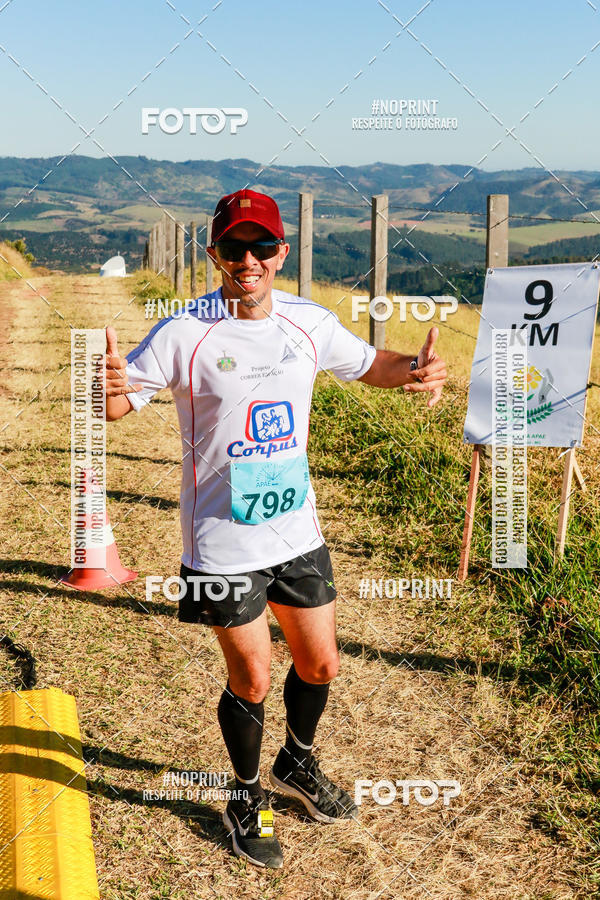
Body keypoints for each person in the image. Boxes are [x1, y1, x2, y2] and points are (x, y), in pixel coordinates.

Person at [104, 189, 447, 869]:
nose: (249, 260)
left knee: (321, 664)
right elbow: (118, 404)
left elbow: (367, 363)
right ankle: (245, 794)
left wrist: (413, 367)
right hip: (222, 542)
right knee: (254, 678)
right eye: (235, 247)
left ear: (282, 252)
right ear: (215, 255)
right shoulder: (184, 332)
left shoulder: (307, 323)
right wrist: (105, 384)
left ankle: (298, 762)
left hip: (296, 533)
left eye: (263, 246)